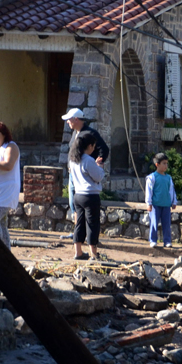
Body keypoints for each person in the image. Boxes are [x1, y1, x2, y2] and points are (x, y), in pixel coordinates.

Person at [61, 109, 109, 239]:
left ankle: (86, 235)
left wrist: (98, 163)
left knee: (84, 207)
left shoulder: (90, 133)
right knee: (74, 205)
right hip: (73, 175)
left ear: (76, 119)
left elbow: (103, 149)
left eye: (69, 120)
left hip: (85, 176)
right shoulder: (75, 133)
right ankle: (78, 233)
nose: (67, 123)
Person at [68, 132, 105, 261]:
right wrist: (99, 166)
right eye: (93, 146)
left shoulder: (73, 160)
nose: (94, 149)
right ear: (89, 146)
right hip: (90, 195)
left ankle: (78, 252)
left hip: (78, 195)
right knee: (92, 224)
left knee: (79, 224)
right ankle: (94, 254)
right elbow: (98, 177)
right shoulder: (88, 160)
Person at [145, 153, 177, 248]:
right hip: (155, 205)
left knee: (167, 224)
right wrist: (148, 203)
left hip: (166, 205)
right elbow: (149, 191)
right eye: (164, 163)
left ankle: (167, 241)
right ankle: (153, 240)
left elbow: (171, 190)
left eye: (167, 163)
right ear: (157, 164)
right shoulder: (152, 177)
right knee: (154, 223)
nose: (166, 166)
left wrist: (174, 201)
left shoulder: (168, 178)